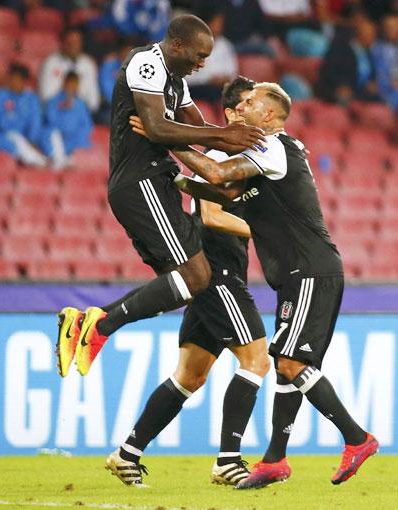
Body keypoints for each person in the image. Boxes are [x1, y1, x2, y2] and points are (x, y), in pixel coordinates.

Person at [145, 81, 378, 488]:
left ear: (268, 115)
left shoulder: (273, 147)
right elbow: (223, 188)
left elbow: (217, 173)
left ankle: (357, 438)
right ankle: (274, 460)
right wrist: (178, 181)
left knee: (290, 362)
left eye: (251, 103)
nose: (241, 108)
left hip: (311, 270)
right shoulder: (265, 156)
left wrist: (162, 137)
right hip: (293, 275)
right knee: (287, 371)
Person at [54, 15, 264, 382]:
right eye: (199, 55)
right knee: (196, 275)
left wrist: (221, 139)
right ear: (177, 44)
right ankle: (99, 327)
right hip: (141, 181)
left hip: (156, 181)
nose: (203, 63)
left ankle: (89, 325)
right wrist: (220, 137)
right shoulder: (147, 62)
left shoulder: (176, 80)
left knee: (184, 283)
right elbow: (156, 126)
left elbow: (195, 129)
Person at [105, 76, 270, 487]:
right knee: (257, 360)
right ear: (232, 114)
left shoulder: (242, 156)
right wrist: (270, 232)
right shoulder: (218, 153)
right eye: (249, 103)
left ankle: (127, 454)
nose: (258, 109)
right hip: (218, 275)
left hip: (220, 272)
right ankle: (228, 459)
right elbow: (212, 216)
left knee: (190, 377)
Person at [0, 63, 49, 167]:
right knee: (14, 135)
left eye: (17, 79)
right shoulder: (0, 95)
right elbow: (0, 123)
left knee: (50, 133)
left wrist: (32, 139)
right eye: (12, 78)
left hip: (26, 139)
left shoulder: (31, 98)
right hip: (4, 136)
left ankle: (53, 161)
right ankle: (39, 162)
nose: (13, 82)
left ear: (23, 81)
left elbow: (35, 121)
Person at [315, 17, 380, 106]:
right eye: (370, 34)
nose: (373, 38)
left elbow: (372, 76)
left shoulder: (369, 54)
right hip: (339, 89)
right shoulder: (341, 48)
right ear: (359, 34)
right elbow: (329, 70)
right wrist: (341, 85)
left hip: (362, 92)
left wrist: (372, 83)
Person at [40, 71, 93, 169]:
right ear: (64, 83)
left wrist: (76, 144)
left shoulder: (81, 104)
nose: (72, 87)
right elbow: (51, 123)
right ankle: (59, 162)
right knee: (53, 135)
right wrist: (64, 109)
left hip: (74, 144)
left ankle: (66, 161)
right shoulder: (53, 101)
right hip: (56, 143)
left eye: (75, 84)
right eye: (70, 83)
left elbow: (86, 126)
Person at [39, 27, 100, 112]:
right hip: (57, 110)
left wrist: (78, 105)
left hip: (83, 111)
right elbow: (46, 96)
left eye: (77, 42)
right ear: (62, 43)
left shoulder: (88, 64)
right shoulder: (51, 63)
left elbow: (94, 101)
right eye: (70, 43)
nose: (73, 46)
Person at [186, 6, 238, 103]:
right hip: (197, 88)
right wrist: (209, 79)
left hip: (221, 87)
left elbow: (233, 73)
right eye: (217, 22)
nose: (221, 25)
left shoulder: (225, 45)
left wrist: (224, 79)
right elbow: (186, 78)